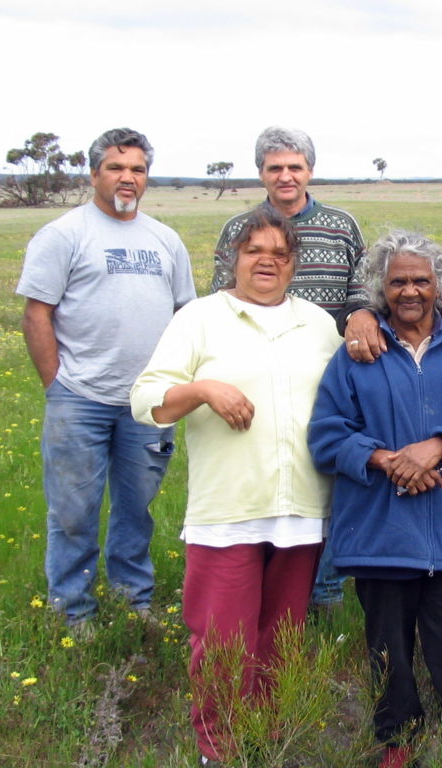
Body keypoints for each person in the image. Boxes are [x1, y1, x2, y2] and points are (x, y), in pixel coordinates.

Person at [132, 208, 340, 766]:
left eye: (279, 252)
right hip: (228, 508)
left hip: (302, 507)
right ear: (233, 259)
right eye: (254, 251)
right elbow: (145, 398)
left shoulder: (319, 324)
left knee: (283, 634)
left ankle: (270, 737)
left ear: (294, 263)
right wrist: (202, 389)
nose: (266, 261)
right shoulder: (200, 319)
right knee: (223, 640)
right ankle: (218, 749)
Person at [309, 231, 442, 768]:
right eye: (398, 281)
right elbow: (328, 435)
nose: (411, 291)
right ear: (381, 288)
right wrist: (388, 460)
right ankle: (396, 747)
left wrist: (437, 447)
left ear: (439, 286)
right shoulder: (357, 355)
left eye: (422, 280)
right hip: (382, 535)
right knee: (388, 657)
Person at [16, 127, 195, 637]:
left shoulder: (165, 239)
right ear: (94, 173)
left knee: (136, 507)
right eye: (116, 168)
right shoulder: (63, 235)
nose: (127, 178)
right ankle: (73, 610)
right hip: (80, 399)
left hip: (147, 403)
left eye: (137, 169)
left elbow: (185, 314)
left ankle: (132, 599)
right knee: (74, 510)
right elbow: (37, 315)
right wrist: (57, 386)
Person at [211, 125, 370, 610]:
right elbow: (222, 298)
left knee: (328, 477)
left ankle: (323, 592)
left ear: (310, 172)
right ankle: (259, 585)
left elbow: (361, 289)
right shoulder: (240, 229)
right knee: (271, 476)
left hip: (330, 376)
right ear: (261, 173)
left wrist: (361, 312)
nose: (285, 176)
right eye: (275, 167)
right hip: (260, 376)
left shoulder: (342, 224)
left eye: (294, 167)